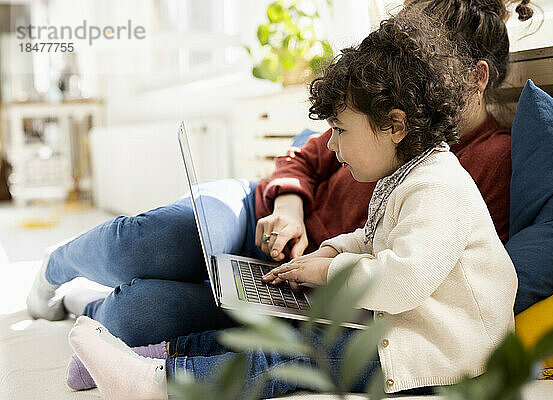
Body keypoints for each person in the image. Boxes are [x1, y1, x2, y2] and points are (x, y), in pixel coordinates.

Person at [67, 9, 518, 399]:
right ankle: (149, 357)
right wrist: (333, 251)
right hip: (403, 329)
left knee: (286, 355)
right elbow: (376, 237)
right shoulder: (406, 171)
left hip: (438, 353)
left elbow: (403, 278)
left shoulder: (439, 186)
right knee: (276, 326)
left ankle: (157, 385)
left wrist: (325, 272)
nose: (334, 148)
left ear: (395, 125)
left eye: (340, 131)